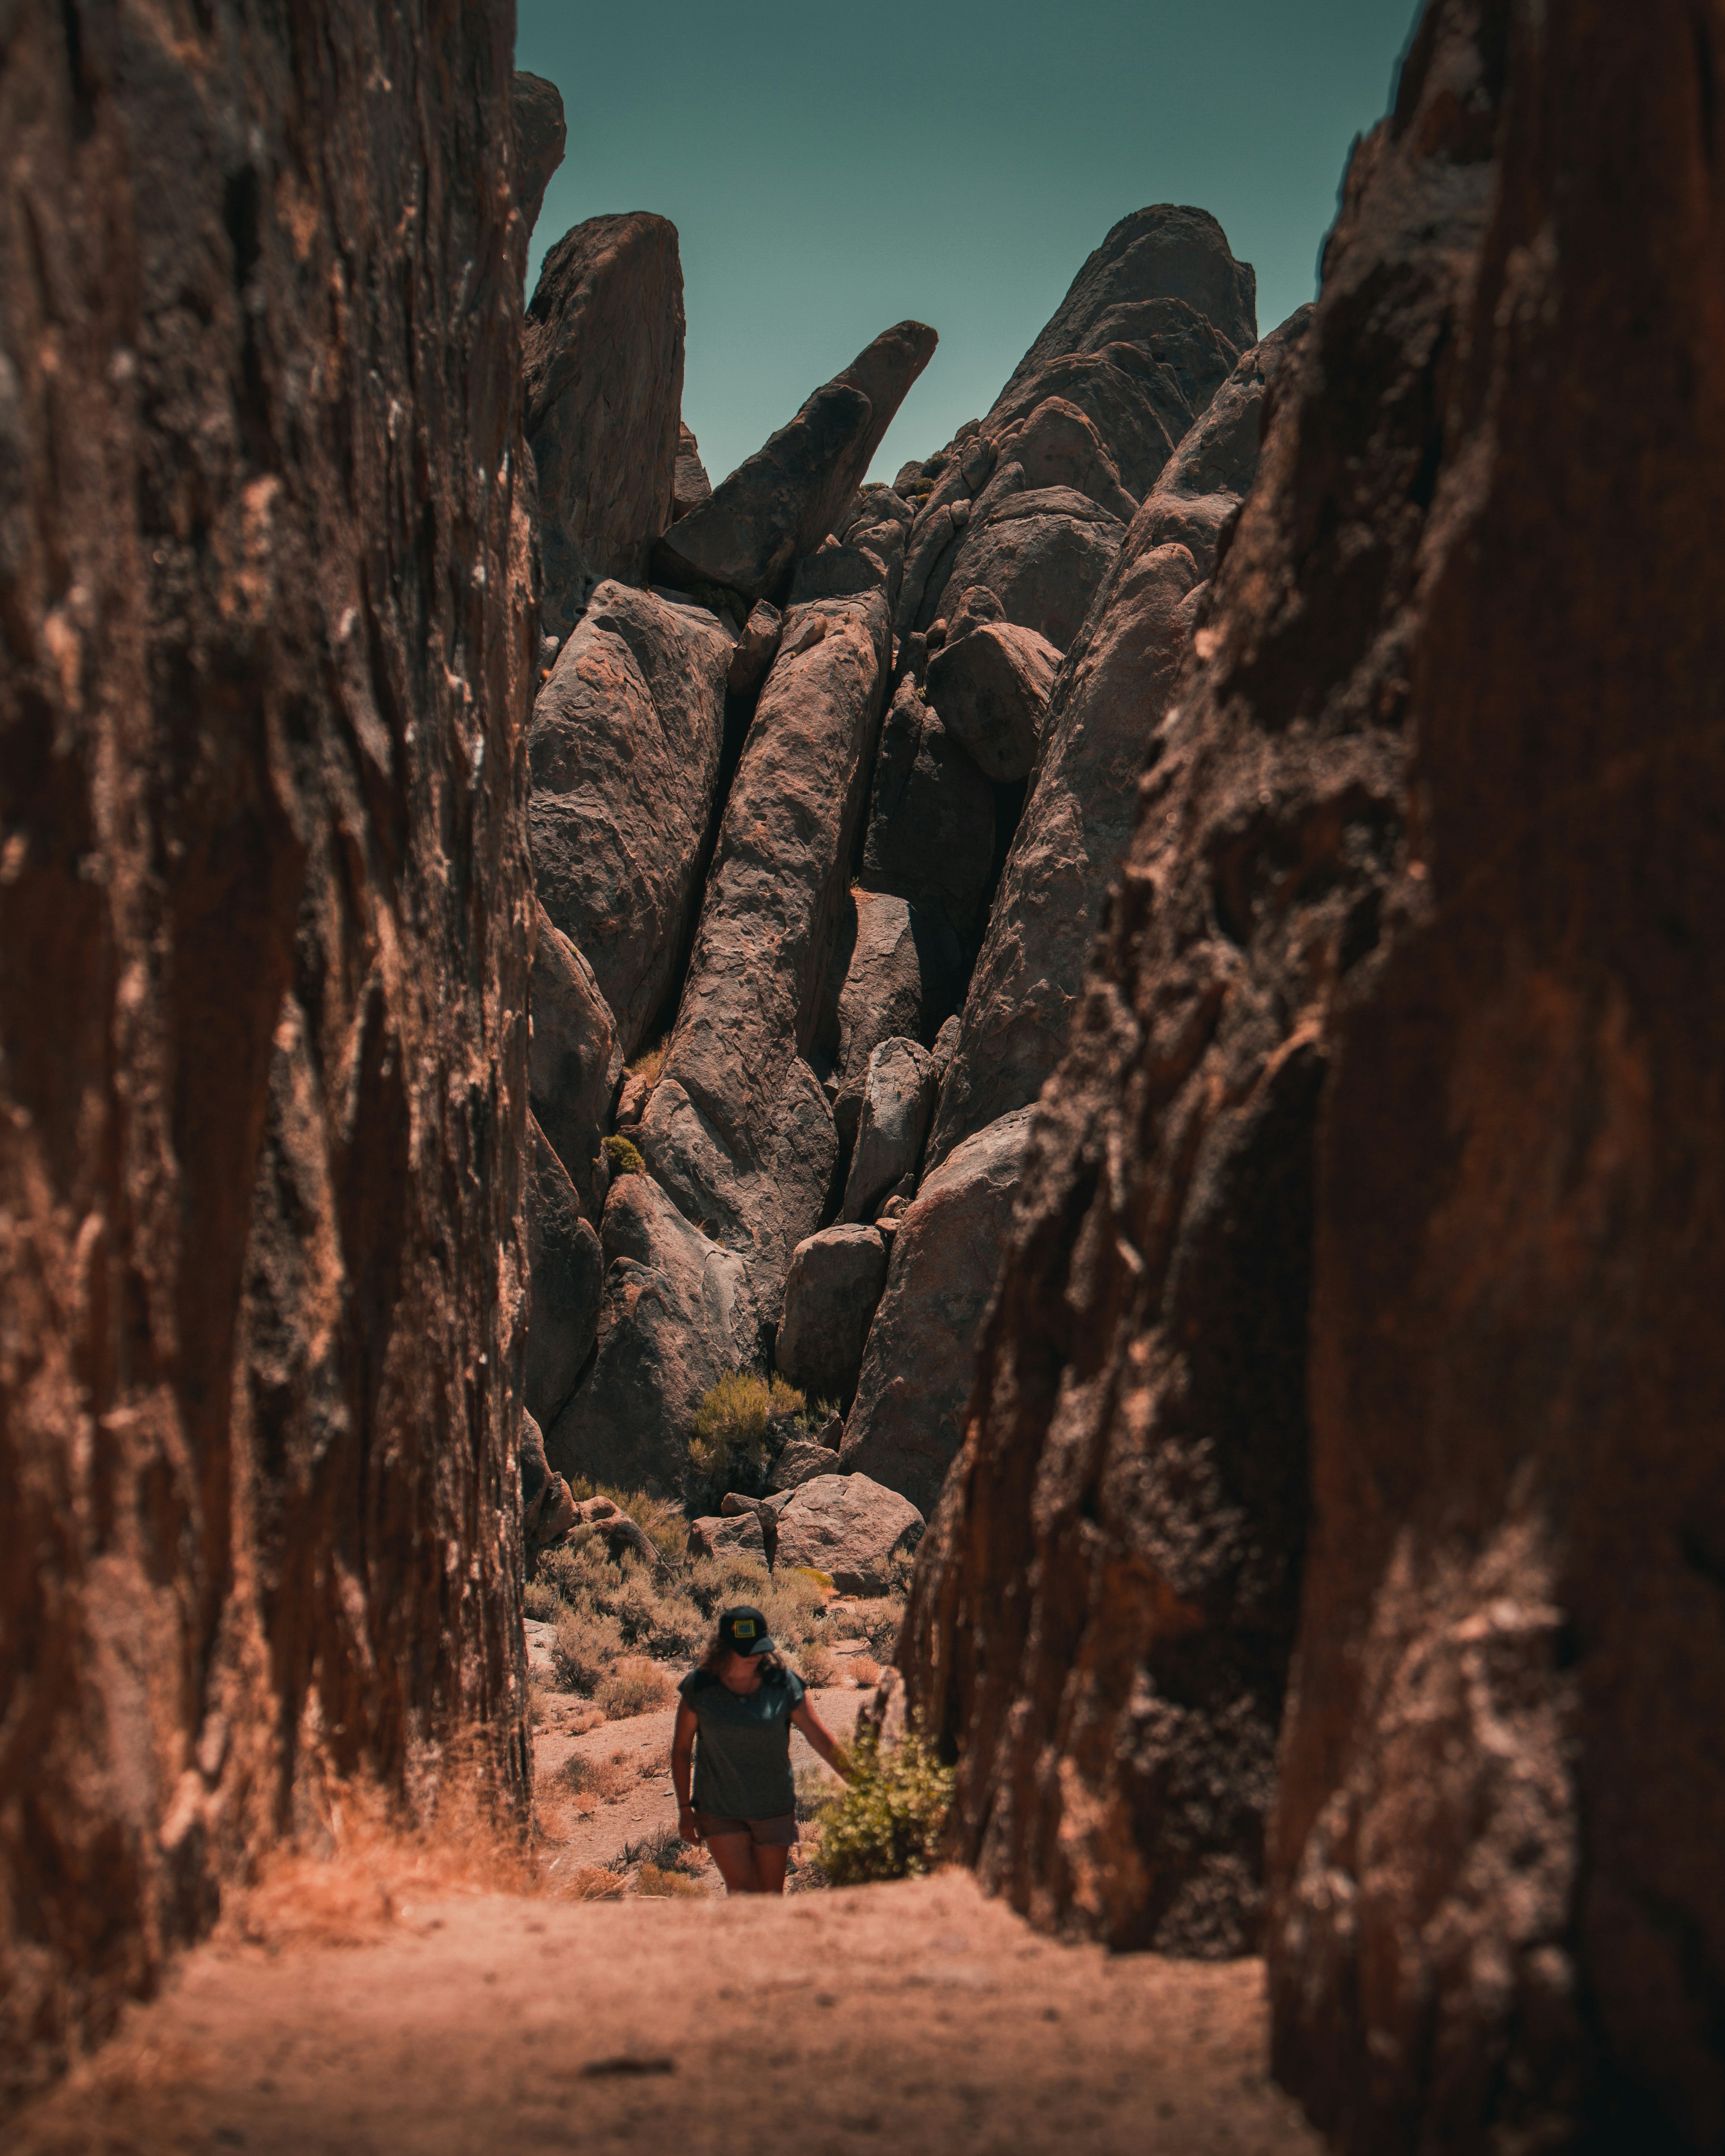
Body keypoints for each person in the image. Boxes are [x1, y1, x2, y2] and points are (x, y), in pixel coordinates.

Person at [672, 1604, 851, 1895]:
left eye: (760, 1647)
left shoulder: (782, 1684)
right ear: (724, 1648)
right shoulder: (701, 1687)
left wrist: (861, 1781)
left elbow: (820, 1738)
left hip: (773, 1808)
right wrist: (684, 1809)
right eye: (747, 1649)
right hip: (719, 1809)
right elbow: (681, 1749)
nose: (756, 1655)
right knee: (742, 1893)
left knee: (770, 1897)